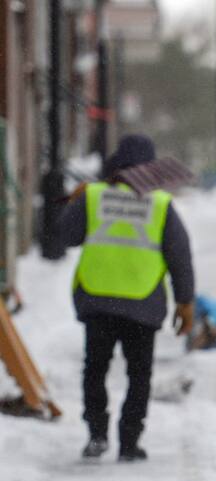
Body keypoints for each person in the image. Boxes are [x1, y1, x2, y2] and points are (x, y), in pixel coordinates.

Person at [48, 134, 195, 461]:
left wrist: (76, 203)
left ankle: (97, 434)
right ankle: (129, 442)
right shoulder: (160, 205)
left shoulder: (95, 196)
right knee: (139, 374)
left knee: (95, 368)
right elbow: (179, 257)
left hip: (98, 300)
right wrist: (185, 302)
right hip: (142, 304)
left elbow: (66, 237)